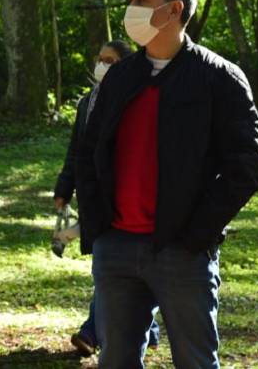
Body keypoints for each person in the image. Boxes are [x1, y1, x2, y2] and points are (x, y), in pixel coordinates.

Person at [75, 0, 258, 369]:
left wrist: (197, 232)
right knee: (115, 361)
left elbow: (248, 163)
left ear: (174, 9)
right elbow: (88, 151)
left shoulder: (219, 78)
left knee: (195, 362)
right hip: (116, 249)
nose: (131, 9)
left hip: (183, 253)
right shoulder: (119, 79)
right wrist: (100, 231)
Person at [52, 41, 160, 357]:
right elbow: (77, 150)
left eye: (110, 60)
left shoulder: (137, 97)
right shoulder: (87, 103)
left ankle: (91, 330)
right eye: (100, 59)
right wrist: (64, 188)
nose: (102, 65)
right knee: (112, 271)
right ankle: (144, 329)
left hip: (127, 200)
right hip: (96, 197)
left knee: (123, 273)